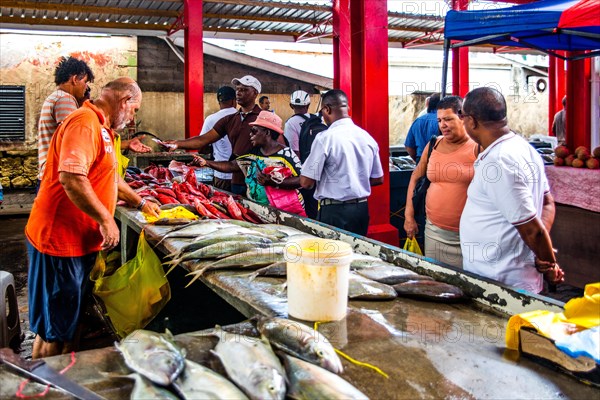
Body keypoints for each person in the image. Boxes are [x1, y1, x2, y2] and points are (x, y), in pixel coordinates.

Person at [25, 77, 161, 359]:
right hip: (58, 242)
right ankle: (42, 387)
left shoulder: (104, 130)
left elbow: (111, 176)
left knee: (68, 322)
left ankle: (63, 378)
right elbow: (71, 177)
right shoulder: (85, 122)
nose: (133, 117)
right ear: (124, 101)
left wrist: (141, 201)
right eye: (134, 109)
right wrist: (106, 219)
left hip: (79, 242)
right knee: (53, 329)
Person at [459, 87, 564, 294]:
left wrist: (549, 263)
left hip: (501, 279)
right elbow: (547, 202)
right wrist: (541, 252)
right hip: (497, 272)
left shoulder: (499, 162)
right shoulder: (524, 148)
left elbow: (532, 229)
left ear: (471, 121)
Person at [404, 96, 478, 268]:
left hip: (470, 235)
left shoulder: (478, 147)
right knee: (437, 282)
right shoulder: (433, 145)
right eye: (439, 120)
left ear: (463, 118)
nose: (442, 125)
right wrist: (409, 216)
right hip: (434, 232)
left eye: (448, 119)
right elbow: (415, 178)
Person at [300, 89, 384, 236]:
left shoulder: (325, 138)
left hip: (334, 212)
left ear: (327, 109)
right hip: (361, 211)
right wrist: (353, 182)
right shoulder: (367, 137)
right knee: (355, 255)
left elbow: (306, 182)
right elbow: (378, 178)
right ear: (347, 108)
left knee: (333, 257)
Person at [193, 111, 305, 215]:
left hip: (285, 212)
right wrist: (206, 163)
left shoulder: (286, 154)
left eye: (254, 131)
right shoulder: (253, 153)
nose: (250, 135)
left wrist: (274, 182)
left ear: (267, 132)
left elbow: (302, 181)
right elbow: (232, 165)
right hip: (258, 210)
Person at [166, 75, 263, 196]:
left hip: (259, 181)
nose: (239, 93)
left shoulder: (264, 117)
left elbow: (280, 146)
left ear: (255, 93)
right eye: (238, 89)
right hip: (236, 180)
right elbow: (203, 139)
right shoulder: (231, 119)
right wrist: (177, 143)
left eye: (244, 90)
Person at [38, 56, 95, 182]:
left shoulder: (55, 97)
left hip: (50, 173)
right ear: (75, 79)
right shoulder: (65, 99)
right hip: (57, 177)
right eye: (85, 82)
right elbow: (73, 139)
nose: (86, 87)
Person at [199, 86, 238, 191]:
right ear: (234, 101)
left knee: (222, 203)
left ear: (219, 102)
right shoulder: (242, 117)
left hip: (221, 174)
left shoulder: (211, 119)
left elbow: (201, 147)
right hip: (241, 174)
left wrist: (213, 147)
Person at [404, 93, 441, 163]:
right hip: (439, 160)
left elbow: (408, 146)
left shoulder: (418, 121)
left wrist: (419, 160)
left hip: (420, 159)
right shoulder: (445, 121)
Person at [284, 90, 312, 159]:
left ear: (291, 106)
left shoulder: (291, 123)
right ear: (308, 105)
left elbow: (295, 151)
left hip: (304, 165)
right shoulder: (316, 119)